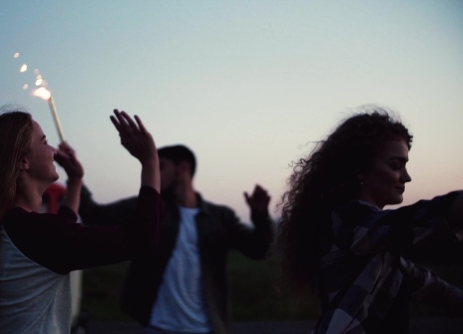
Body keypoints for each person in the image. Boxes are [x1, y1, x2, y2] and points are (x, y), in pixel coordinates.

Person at [0, 109, 162, 334]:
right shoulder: (33, 232)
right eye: (44, 142)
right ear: (23, 161)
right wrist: (150, 161)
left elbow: (63, 226)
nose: (54, 151)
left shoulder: (10, 226)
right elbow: (142, 239)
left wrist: (75, 180)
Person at [277, 109, 463, 333]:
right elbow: (409, 223)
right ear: (360, 168)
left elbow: (426, 283)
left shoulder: (380, 248)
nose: (406, 177)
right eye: (396, 165)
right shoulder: (345, 220)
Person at [78, 144, 274, 334]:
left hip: (206, 328)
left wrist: (260, 216)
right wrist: (76, 178)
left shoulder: (220, 217)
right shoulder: (149, 209)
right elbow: (95, 215)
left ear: (183, 168)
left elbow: (258, 250)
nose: (155, 173)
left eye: (160, 166)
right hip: (158, 327)